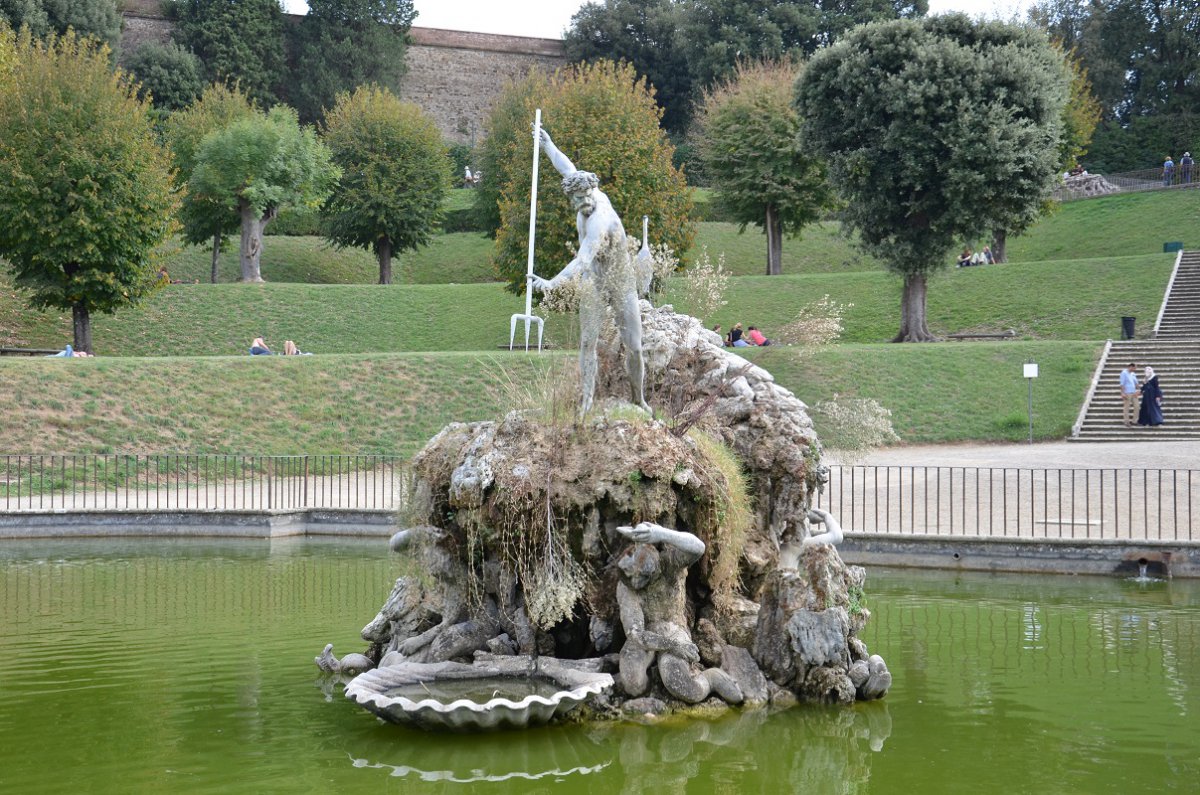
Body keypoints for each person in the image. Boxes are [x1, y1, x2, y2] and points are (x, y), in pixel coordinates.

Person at [530, 127, 651, 414]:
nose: (583, 204)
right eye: (576, 201)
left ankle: (639, 398)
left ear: (593, 193)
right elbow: (566, 167)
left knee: (634, 345)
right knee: (586, 342)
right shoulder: (581, 187)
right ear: (571, 197)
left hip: (620, 280)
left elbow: (583, 258)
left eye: (586, 199)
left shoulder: (601, 219)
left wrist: (552, 283)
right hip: (595, 281)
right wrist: (548, 146)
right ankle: (586, 402)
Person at [1119, 361, 1139, 427]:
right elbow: (1122, 383)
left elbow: (1136, 383)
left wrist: (1138, 390)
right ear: (1131, 367)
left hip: (1133, 392)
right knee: (1126, 407)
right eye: (1134, 368)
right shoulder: (1124, 373)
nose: (1135, 369)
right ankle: (1126, 421)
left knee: (1137, 406)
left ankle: (1134, 421)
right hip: (1127, 392)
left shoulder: (1133, 374)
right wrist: (1122, 393)